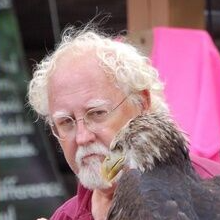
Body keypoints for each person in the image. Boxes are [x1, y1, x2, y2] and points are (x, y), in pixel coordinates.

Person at [28, 25, 215, 220]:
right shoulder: (65, 216)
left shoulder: (207, 197)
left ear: (142, 104)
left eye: (97, 113)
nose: (82, 137)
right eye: (66, 122)